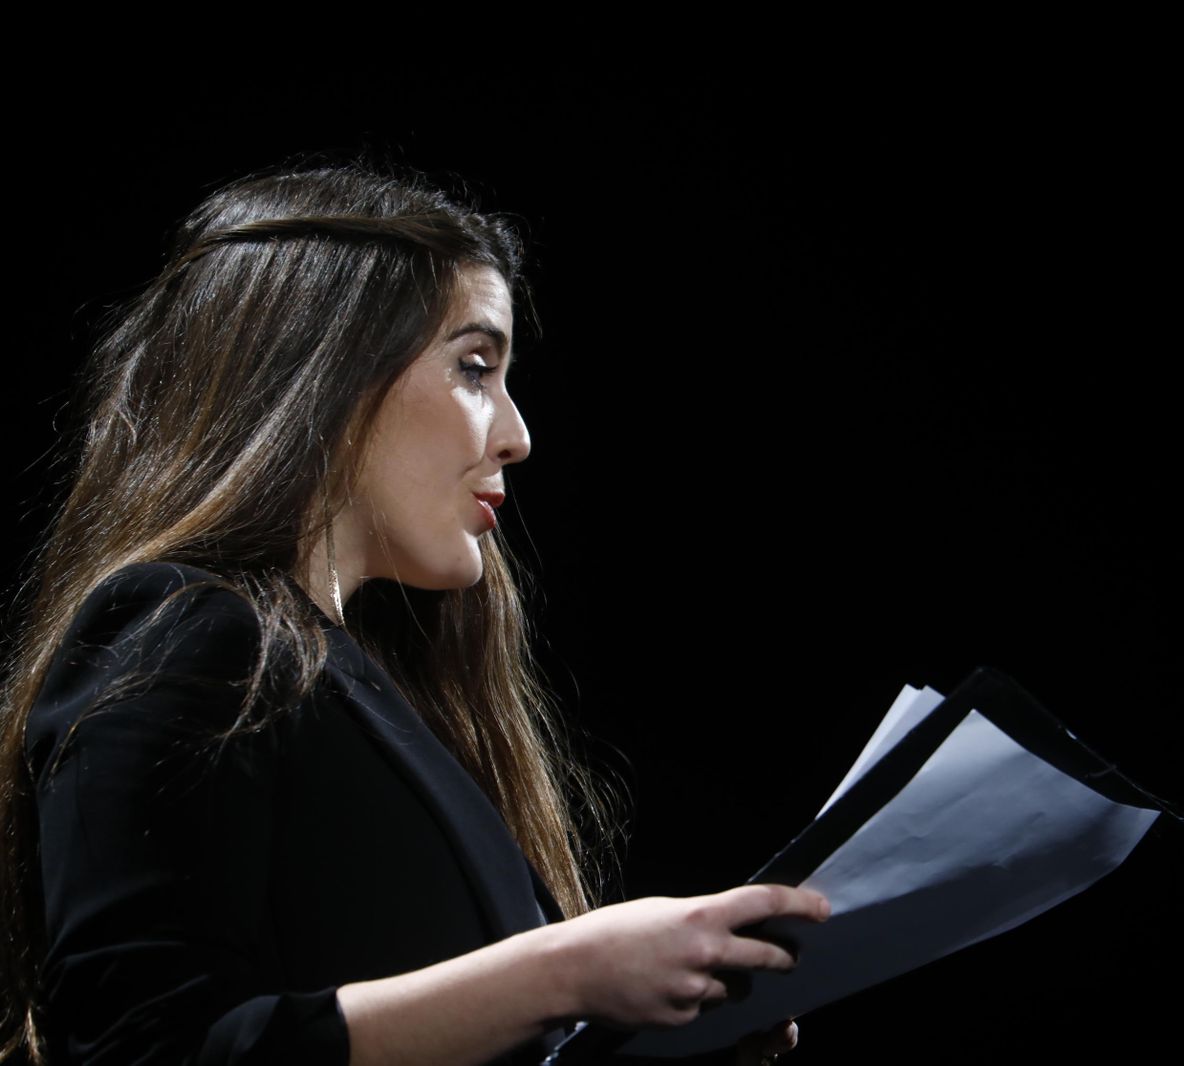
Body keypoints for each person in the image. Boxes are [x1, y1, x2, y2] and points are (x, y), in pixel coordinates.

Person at [0, 161, 829, 1065]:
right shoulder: (180, 626)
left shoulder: (389, 692)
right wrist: (566, 974)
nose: (517, 434)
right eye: (476, 367)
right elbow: (141, 1051)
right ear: (325, 369)